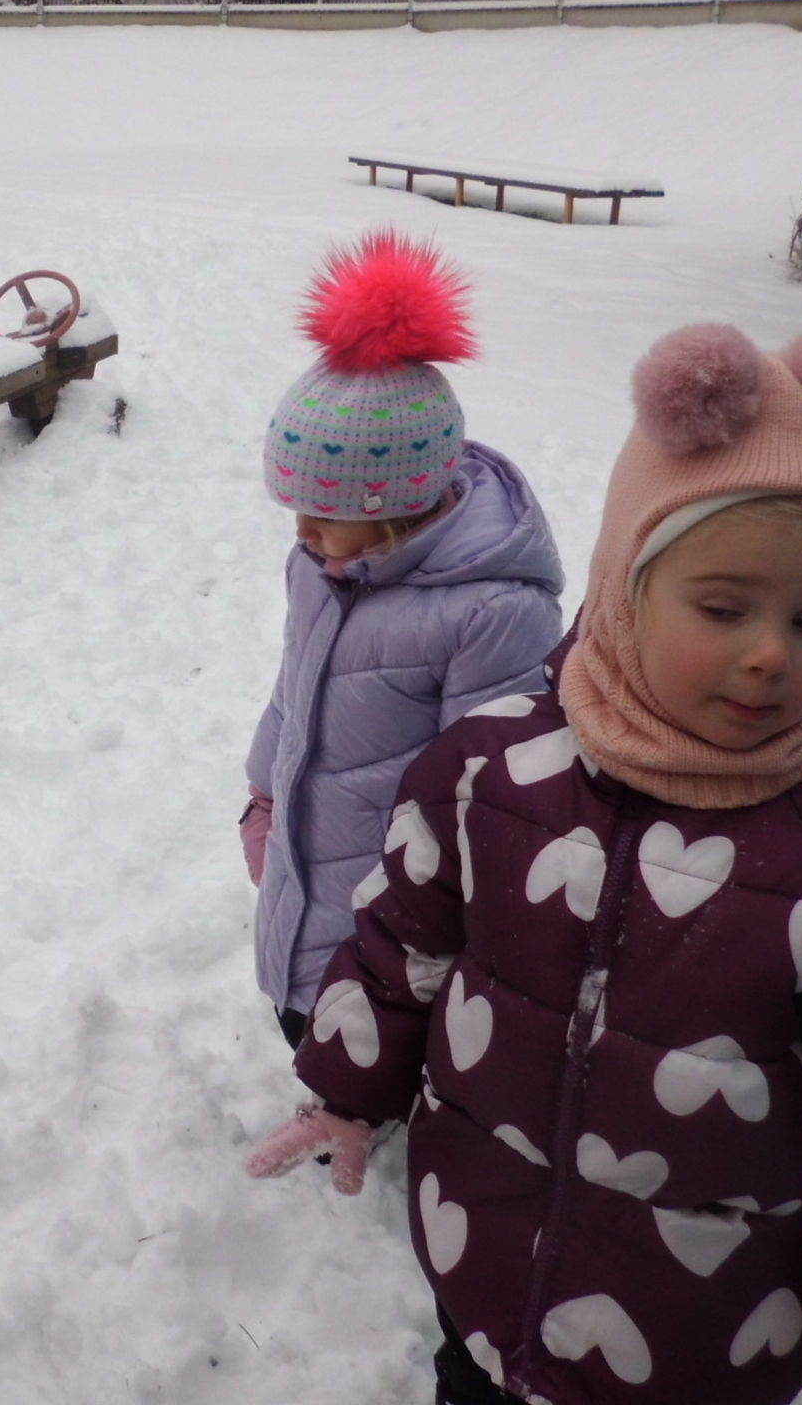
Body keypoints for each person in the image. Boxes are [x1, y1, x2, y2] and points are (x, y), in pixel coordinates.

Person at [246, 321, 802, 1405]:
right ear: (622, 591)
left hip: (702, 1338)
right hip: (484, 1272)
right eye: (723, 608)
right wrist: (346, 1087)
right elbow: (398, 952)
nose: (769, 651)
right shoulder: (491, 774)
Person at [242, 231, 563, 1045]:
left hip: (400, 898)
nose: (301, 530)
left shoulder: (491, 612)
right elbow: (294, 687)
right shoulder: (321, 569)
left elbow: (491, 789)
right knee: (305, 1012)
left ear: (395, 507)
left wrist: (438, 905)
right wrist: (264, 794)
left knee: (371, 1036)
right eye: (295, 508)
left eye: (323, 512)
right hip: (309, 854)